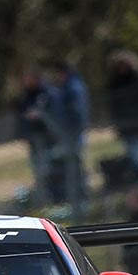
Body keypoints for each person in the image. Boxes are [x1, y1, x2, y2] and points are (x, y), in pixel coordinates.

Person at [50, 62, 90, 204]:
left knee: (76, 165)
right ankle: (76, 196)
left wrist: (70, 129)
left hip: (73, 134)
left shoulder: (73, 88)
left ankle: (81, 196)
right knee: (71, 165)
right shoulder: (67, 87)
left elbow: (76, 112)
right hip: (69, 134)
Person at [106, 51, 138, 172]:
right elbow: (113, 104)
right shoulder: (115, 83)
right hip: (124, 124)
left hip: (137, 123)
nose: (122, 69)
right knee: (131, 153)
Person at [16, 70, 56, 201]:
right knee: (38, 170)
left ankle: (52, 195)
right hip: (33, 139)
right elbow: (22, 113)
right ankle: (43, 196)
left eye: (29, 79)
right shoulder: (28, 95)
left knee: (47, 169)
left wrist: (38, 115)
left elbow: (50, 112)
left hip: (46, 138)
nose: (26, 82)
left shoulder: (46, 93)